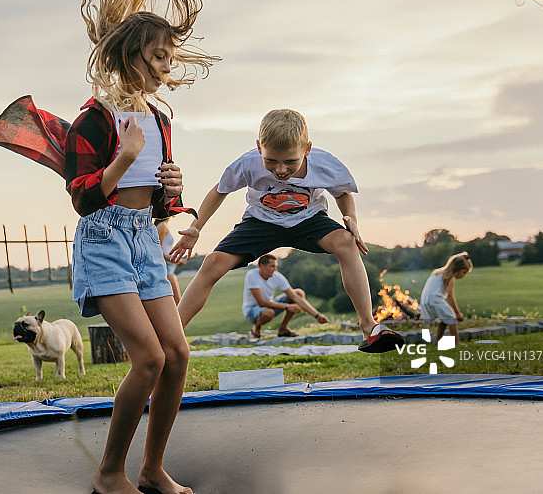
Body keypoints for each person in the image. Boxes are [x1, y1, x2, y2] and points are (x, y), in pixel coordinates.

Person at [66, 0, 218, 494]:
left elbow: (158, 198)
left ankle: (153, 470)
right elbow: (83, 197)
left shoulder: (157, 119)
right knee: (148, 358)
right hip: (104, 241)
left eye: (169, 57)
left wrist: (170, 187)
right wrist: (123, 158)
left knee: (177, 355)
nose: (165, 67)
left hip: (143, 242)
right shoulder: (94, 119)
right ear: (129, 54)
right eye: (157, 56)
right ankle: (109, 472)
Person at [169, 108, 403, 353]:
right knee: (212, 263)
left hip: (309, 219)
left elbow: (342, 192)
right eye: (271, 161)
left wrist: (351, 219)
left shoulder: (325, 164)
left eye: (290, 161)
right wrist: (196, 228)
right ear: (259, 148)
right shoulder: (248, 163)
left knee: (346, 241)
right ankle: (171, 336)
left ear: (307, 150)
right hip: (261, 222)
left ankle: (369, 327)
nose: (280, 170)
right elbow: (220, 190)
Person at [243, 254, 329, 338]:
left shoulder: (277, 277)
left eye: (275, 266)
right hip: (252, 310)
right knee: (269, 313)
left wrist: (317, 316)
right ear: (262, 266)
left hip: (269, 305)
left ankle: (283, 329)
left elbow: (295, 297)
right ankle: (256, 329)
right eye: (272, 266)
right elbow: (261, 303)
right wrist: (287, 306)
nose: (275, 269)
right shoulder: (252, 275)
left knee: (298, 293)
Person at [419, 252, 473, 346]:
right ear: (457, 269)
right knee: (451, 318)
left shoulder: (437, 273)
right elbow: (450, 297)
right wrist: (457, 313)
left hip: (426, 300)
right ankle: (456, 342)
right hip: (435, 300)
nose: (463, 276)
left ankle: (436, 342)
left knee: (444, 320)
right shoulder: (449, 277)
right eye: (464, 272)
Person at [155, 217, 185, 304]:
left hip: (169, 266)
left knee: (175, 303)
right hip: (166, 267)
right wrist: (174, 260)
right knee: (178, 303)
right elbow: (158, 251)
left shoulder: (163, 226)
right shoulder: (162, 226)